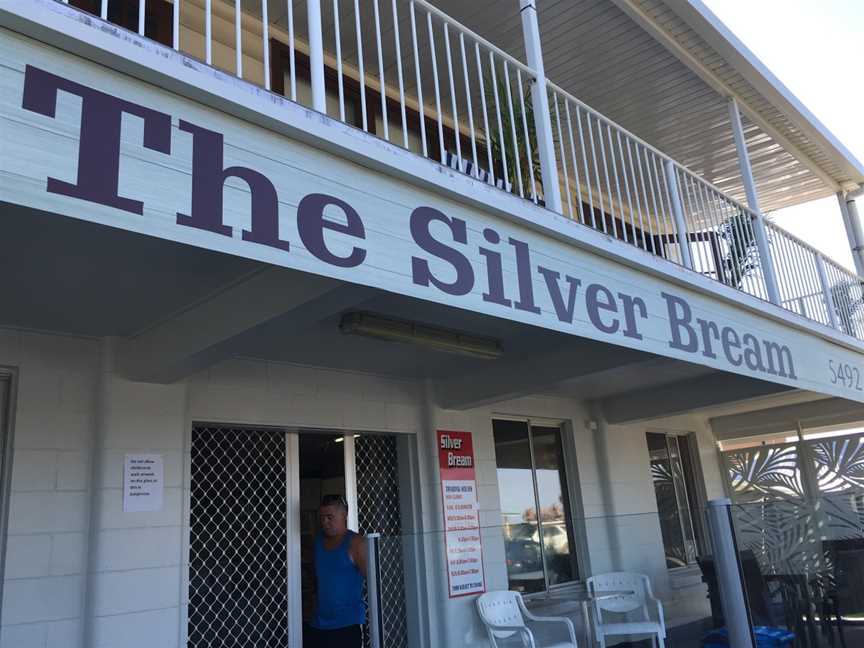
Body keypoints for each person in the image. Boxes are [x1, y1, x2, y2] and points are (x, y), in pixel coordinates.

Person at [304, 494, 367, 648]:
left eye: (329, 517)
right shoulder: (318, 542)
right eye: (322, 517)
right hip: (318, 624)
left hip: (345, 626)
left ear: (344, 515)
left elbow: (374, 581)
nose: (325, 522)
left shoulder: (356, 542)